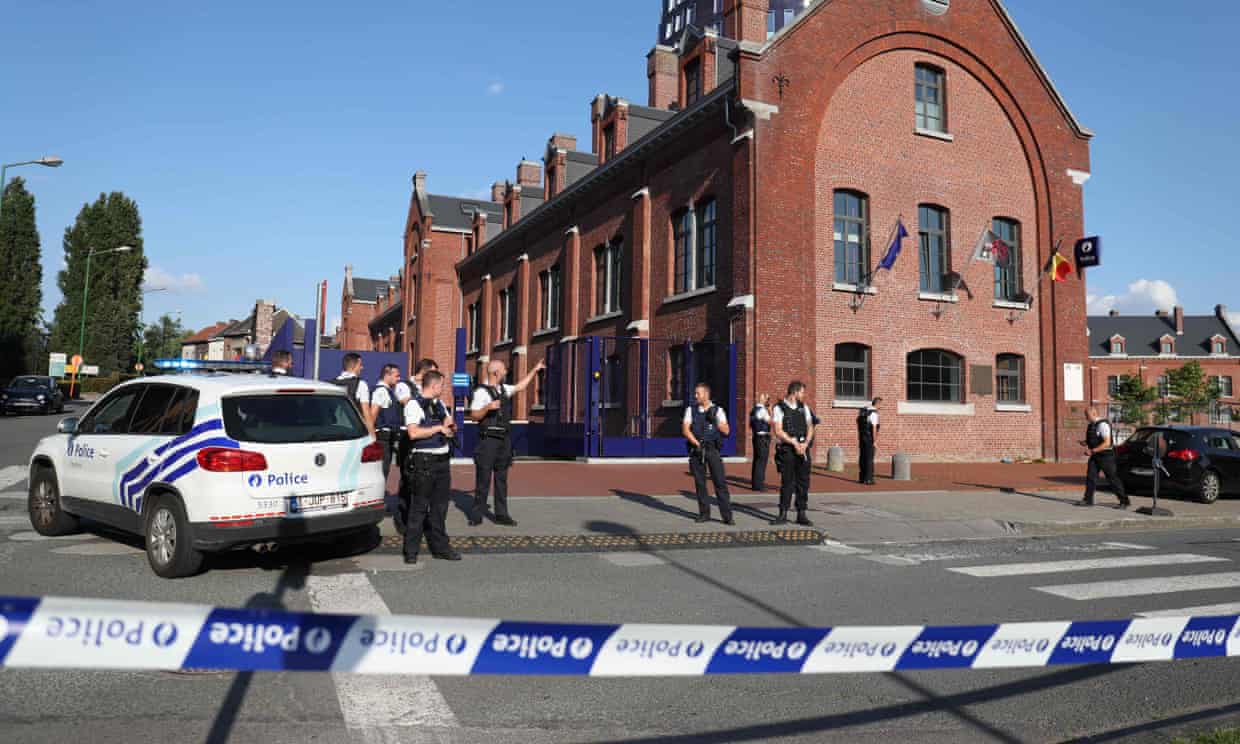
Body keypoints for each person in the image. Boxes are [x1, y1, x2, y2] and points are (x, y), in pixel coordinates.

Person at [468, 358, 545, 526]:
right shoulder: (481, 392)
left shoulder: (504, 389)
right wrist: (487, 408)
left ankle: (502, 515)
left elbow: (520, 387)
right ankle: (476, 515)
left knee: (501, 479)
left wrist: (535, 369)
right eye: (504, 370)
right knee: (483, 479)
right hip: (488, 440)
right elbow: (473, 416)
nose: (506, 372)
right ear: (496, 373)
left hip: (504, 440)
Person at [401, 370, 461, 564]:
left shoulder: (440, 405)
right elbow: (413, 433)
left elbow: (448, 425)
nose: (444, 389)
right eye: (442, 385)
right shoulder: (413, 404)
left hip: (442, 461)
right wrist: (438, 428)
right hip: (423, 462)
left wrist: (450, 429)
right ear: (434, 386)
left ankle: (441, 548)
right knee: (418, 508)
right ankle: (411, 551)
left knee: (440, 508)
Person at [683, 382, 734, 524]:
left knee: (720, 482)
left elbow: (727, 431)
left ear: (706, 394)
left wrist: (716, 421)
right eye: (695, 393)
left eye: (697, 393)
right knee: (700, 483)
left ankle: (727, 516)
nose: (695, 396)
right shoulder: (690, 410)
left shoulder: (718, 410)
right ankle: (704, 514)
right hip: (697, 449)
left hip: (712, 449)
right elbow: (686, 429)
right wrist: (696, 443)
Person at [772, 381, 814, 526]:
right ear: (794, 392)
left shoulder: (804, 408)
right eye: (802, 392)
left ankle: (801, 513)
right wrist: (794, 443)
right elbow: (778, 430)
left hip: (803, 448)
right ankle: (783, 513)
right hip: (788, 449)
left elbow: (810, 427)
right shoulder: (779, 408)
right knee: (787, 482)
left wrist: (805, 443)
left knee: (803, 482)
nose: (804, 395)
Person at [1078, 407, 1131, 509]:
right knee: (1091, 477)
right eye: (1085, 415)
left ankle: (1124, 501)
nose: (1085, 417)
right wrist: (1085, 442)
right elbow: (1096, 439)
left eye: (1087, 415)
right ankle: (1088, 500)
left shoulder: (1103, 425)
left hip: (1106, 456)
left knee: (1112, 479)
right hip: (1096, 456)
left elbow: (1106, 443)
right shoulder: (1091, 425)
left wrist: (1092, 450)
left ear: (1093, 414)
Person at [368, 364, 403, 481]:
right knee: (381, 473)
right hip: (381, 438)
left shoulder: (386, 391)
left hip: (385, 438)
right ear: (387, 375)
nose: (399, 379)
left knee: (383, 471)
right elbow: (372, 416)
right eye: (396, 376)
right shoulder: (381, 391)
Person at [332, 353, 371, 432]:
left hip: (333, 430)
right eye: (360, 365)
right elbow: (366, 413)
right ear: (355, 366)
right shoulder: (361, 384)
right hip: (352, 432)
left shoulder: (332, 384)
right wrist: (372, 436)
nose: (362, 367)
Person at [749, 393, 772, 492]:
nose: (768, 401)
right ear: (763, 400)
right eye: (767, 399)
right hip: (762, 437)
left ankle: (755, 483)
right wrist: (770, 411)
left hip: (756, 436)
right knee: (761, 461)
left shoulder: (753, 410)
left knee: (757, 460)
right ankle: (759, 485)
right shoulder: (762, 410)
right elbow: (771, 421)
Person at [857, 397, 882, 486]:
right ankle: (869, 479)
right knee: (869, 459)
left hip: (861, 437)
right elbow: (874, 428)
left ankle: (861, 478)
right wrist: (874, 441)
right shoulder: (874, 414)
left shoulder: (863, 412)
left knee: (862, 457)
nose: (881, 407)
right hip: (869, 439)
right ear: (877, 404)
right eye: (880, 405)